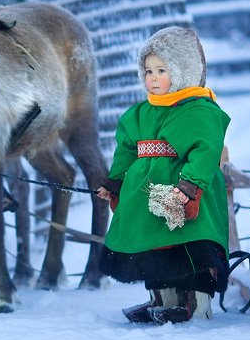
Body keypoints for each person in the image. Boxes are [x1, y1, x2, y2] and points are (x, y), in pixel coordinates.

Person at [96, 25, 231, 324]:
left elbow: (205, 149)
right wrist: (115, 183)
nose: (153, 78)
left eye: (161, 70)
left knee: (188, 246)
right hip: (146, 190)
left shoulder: (197, 109)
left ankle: (196, 303)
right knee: (152, 246)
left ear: (181, 71)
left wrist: (190, 185)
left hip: (181, 186)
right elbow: (126, 150)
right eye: (148, 71)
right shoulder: (141, 112)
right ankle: (162, 298)